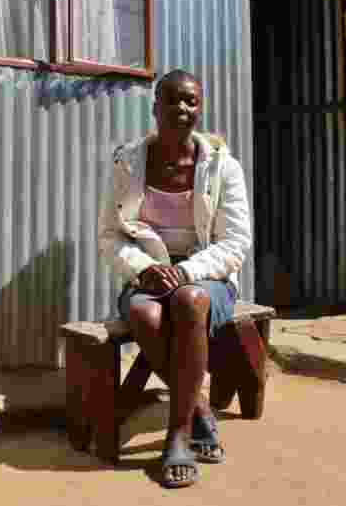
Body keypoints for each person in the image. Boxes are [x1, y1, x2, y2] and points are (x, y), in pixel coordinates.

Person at [98, 68, 252, 488]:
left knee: (190, 302)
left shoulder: (223, 167)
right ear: (154, 107)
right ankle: (199, 407)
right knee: (146, 318)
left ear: (199, 109)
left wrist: (185, 272)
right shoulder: (129, 163)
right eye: (172, 99)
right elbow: (110, 237)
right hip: (147, 275)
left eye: (191, 101)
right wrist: (146, 269)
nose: (182, 108)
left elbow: (236, 242)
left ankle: (178, 436)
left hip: (206, 277)